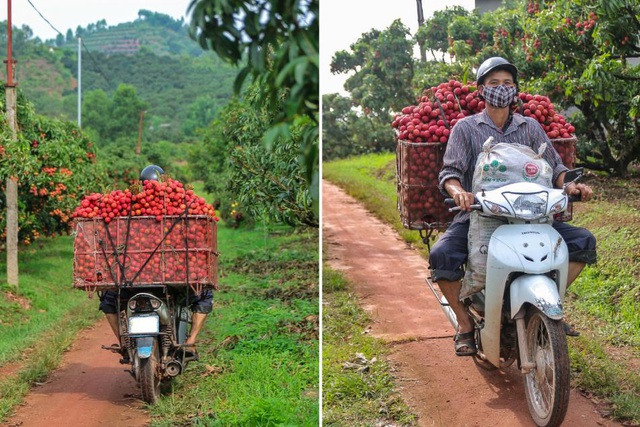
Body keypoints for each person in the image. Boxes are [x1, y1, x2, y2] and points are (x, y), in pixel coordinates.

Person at [429, 57, 597, 356]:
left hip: (529, 215)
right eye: (494, 83)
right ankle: (465, 323)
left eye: (507, 83)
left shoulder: (530, 128)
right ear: (481, 91)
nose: (501, 89)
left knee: (583, 242)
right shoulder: (466, 128)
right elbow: (449, 173)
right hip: (480, 214)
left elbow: (555, 166)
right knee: (442, 256)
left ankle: (548, 308)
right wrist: (459, 193)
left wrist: (570, 186)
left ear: (515, 89)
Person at [99, 165, 212, 361]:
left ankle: (123, 343)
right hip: (171, 279)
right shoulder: (175, 210)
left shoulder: (130, 210)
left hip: (131, 280)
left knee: (109, 300)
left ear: (142, 185)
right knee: (204, 295)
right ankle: (191, 341)